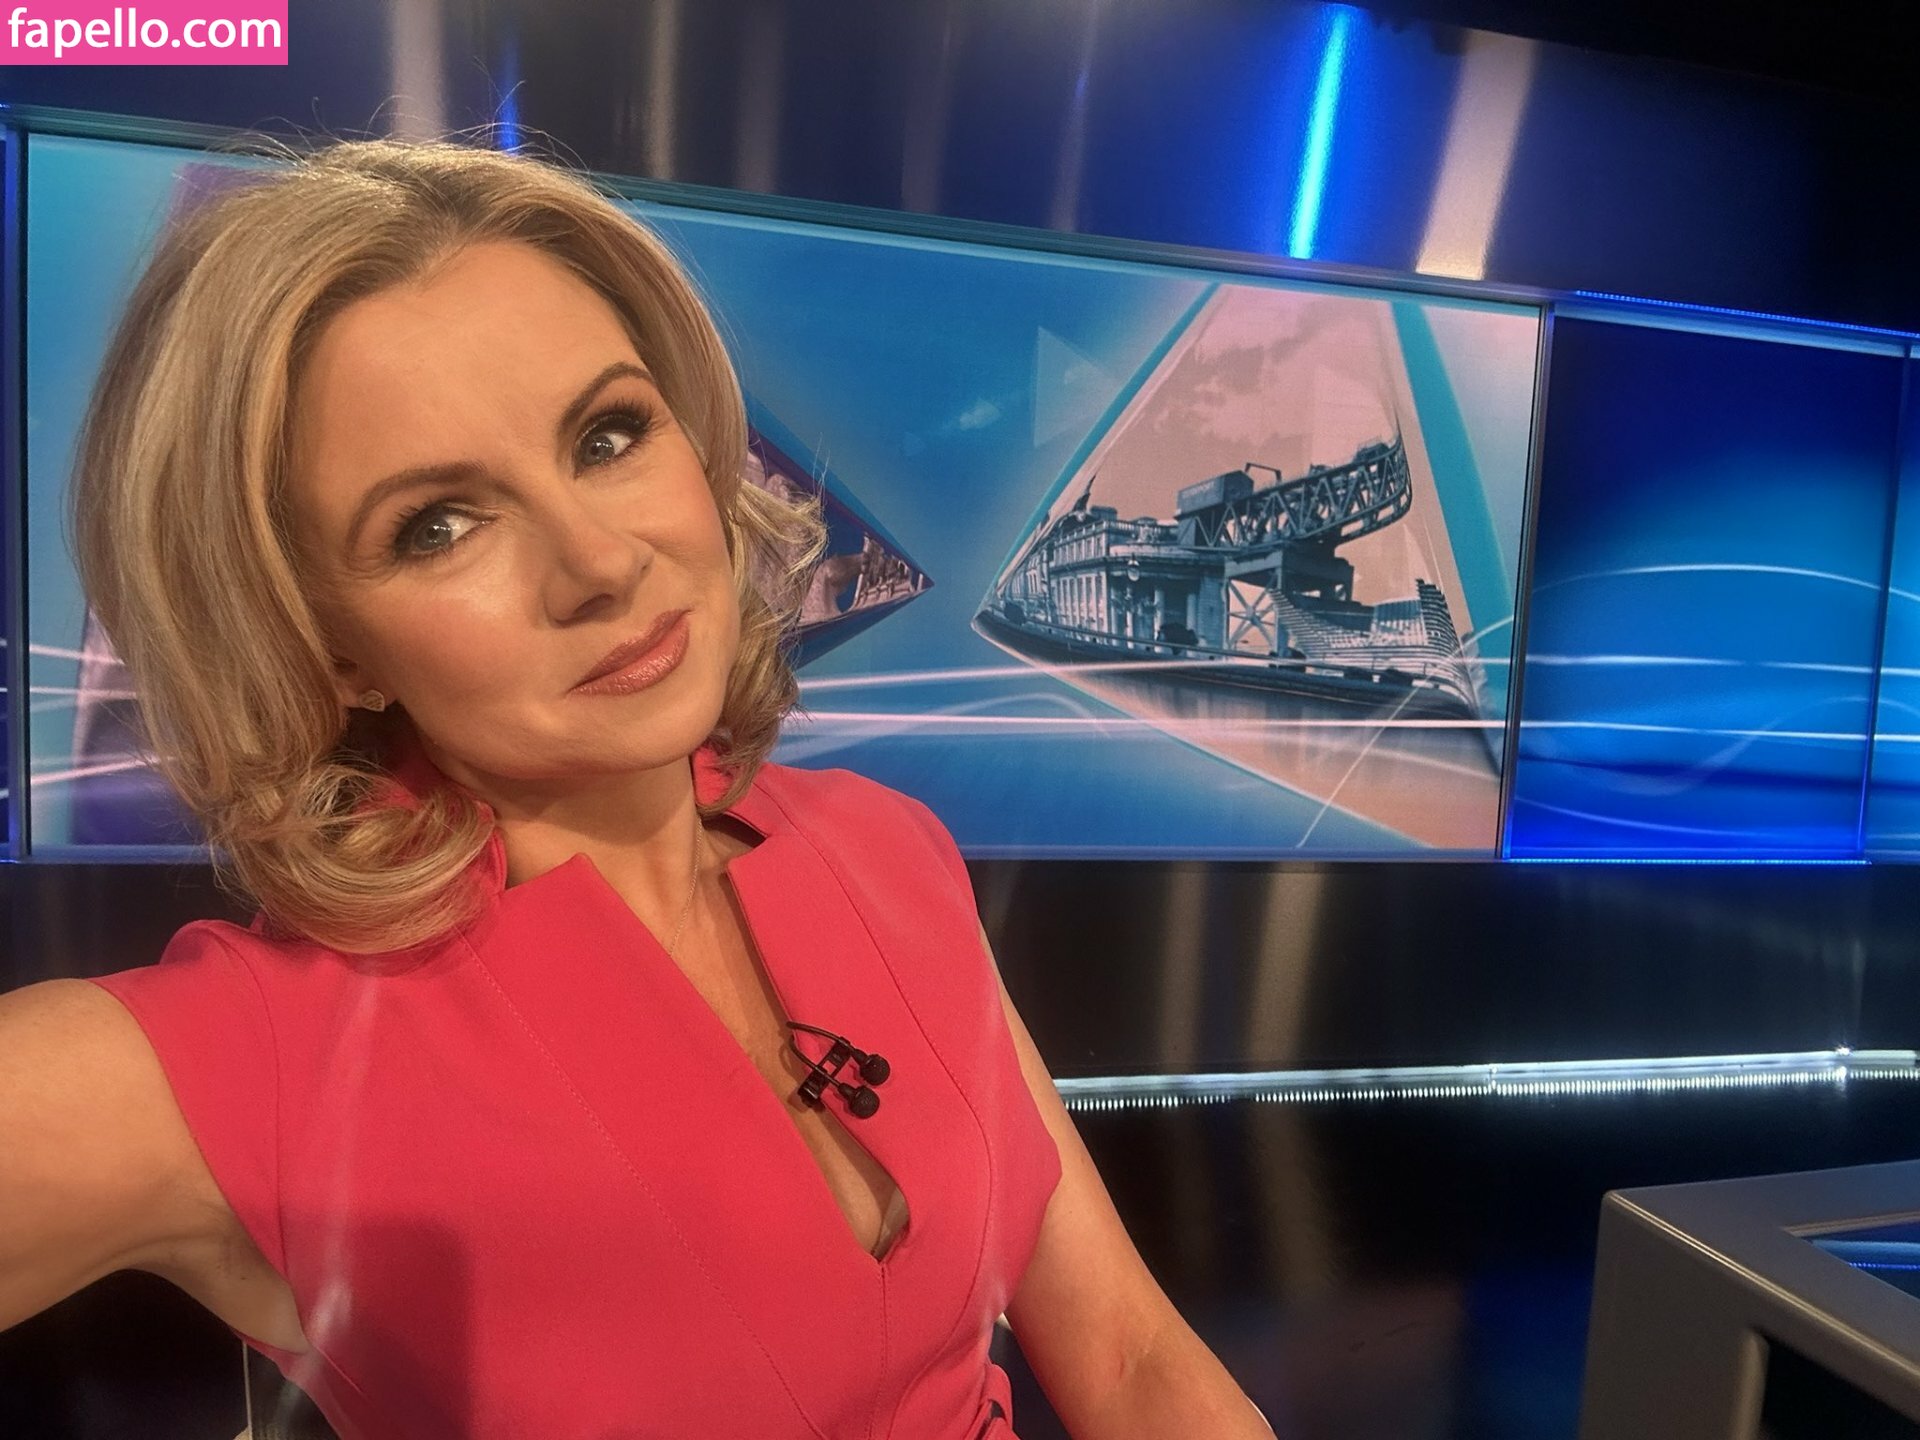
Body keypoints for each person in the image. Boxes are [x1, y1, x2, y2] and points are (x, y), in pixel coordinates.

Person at [0, 137, 1274, 1439]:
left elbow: (1129, 1359)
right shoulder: (270, 1048)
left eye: (608, 435)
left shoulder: (887, 848)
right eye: (438, 525)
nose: (600, 562)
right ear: (328, 649)